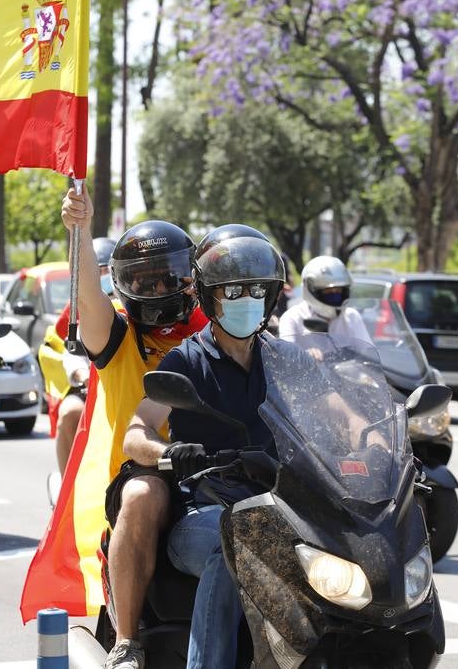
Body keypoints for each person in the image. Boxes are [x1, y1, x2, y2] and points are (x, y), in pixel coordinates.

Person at [123, 224, 289, 669]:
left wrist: (379, 432)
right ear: (210, 297)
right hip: (205, 513)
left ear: (271, 296)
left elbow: (335, 407)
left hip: (282, 508)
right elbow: (136, 432)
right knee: (233, 540)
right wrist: (166, 453)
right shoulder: (186, 359)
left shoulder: (284, 359)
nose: (246, 299)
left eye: (256, 289)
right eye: (233, 290)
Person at [61, 184, 207, 669]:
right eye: (144, 282)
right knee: (145, 494)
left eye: (169, 278)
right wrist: (80, 230)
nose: (159, 291)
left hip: (221, 467)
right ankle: (126, 641)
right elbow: (87, 293)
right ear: (125, 286)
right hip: (145, 471)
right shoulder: (118, 335)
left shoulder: (218, 331)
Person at [51, 237, 117, 474]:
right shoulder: (82, 313)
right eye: (96, 271)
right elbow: (73, 355)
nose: (102, 276)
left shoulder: (134, 307)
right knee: (69, 412)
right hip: (89, 390)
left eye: (106, 271)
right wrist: (85, 376)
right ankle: (68, 488)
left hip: (128, 389)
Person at [278, 255, 372, 348]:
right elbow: (287, 355)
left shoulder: (351, 317)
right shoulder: (292, 318)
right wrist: (304, 355)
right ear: (312, 290)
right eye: (328, 291)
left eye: (338, 290)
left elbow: (368, 352)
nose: (334, 295)